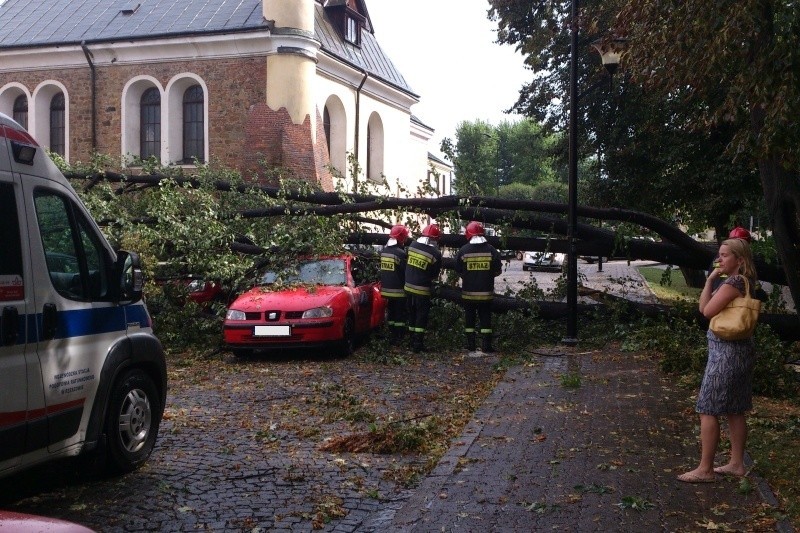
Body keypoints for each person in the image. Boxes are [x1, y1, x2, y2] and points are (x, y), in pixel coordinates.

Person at [678, 237, 758, 483]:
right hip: (739, 353)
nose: (719, 259)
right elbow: (705, 307)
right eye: (719, 255)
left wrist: (713, 281)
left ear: (739, 260)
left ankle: (705, 469)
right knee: (735, 409)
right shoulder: (743, 282)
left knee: (707, 408)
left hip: (726, 356)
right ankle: (736, 464)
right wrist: (711, 279)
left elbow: (707, 311)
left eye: (724, 255)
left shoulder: (733, 282)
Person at [455, 221, 502, 353]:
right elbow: (498, 270)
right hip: (486, 294)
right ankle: (486, 346)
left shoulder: (463, 250)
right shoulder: (491, 250)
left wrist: (468, 276)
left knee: (469, 319)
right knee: (485, 319)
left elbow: (458, 270)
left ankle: (471, 345)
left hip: (468, 294)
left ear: (468, 234)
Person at [404, 223, 443, 353]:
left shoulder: (412, 246)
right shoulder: (435, 253)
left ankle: (410, 341)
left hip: (408, 288)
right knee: (421, 316)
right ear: (434, 239)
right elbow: (434, 275)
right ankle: (418, 344)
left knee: (411, 315)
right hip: (422, 290)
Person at [380, 224, 409, 343]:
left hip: (386, 290)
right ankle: (399, 337)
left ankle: (391, 335)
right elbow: (406, 272)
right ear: (401, 238)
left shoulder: (384, 252)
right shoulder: (401, 254)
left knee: (391, 313)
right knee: (399, 316)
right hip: (399, 290)